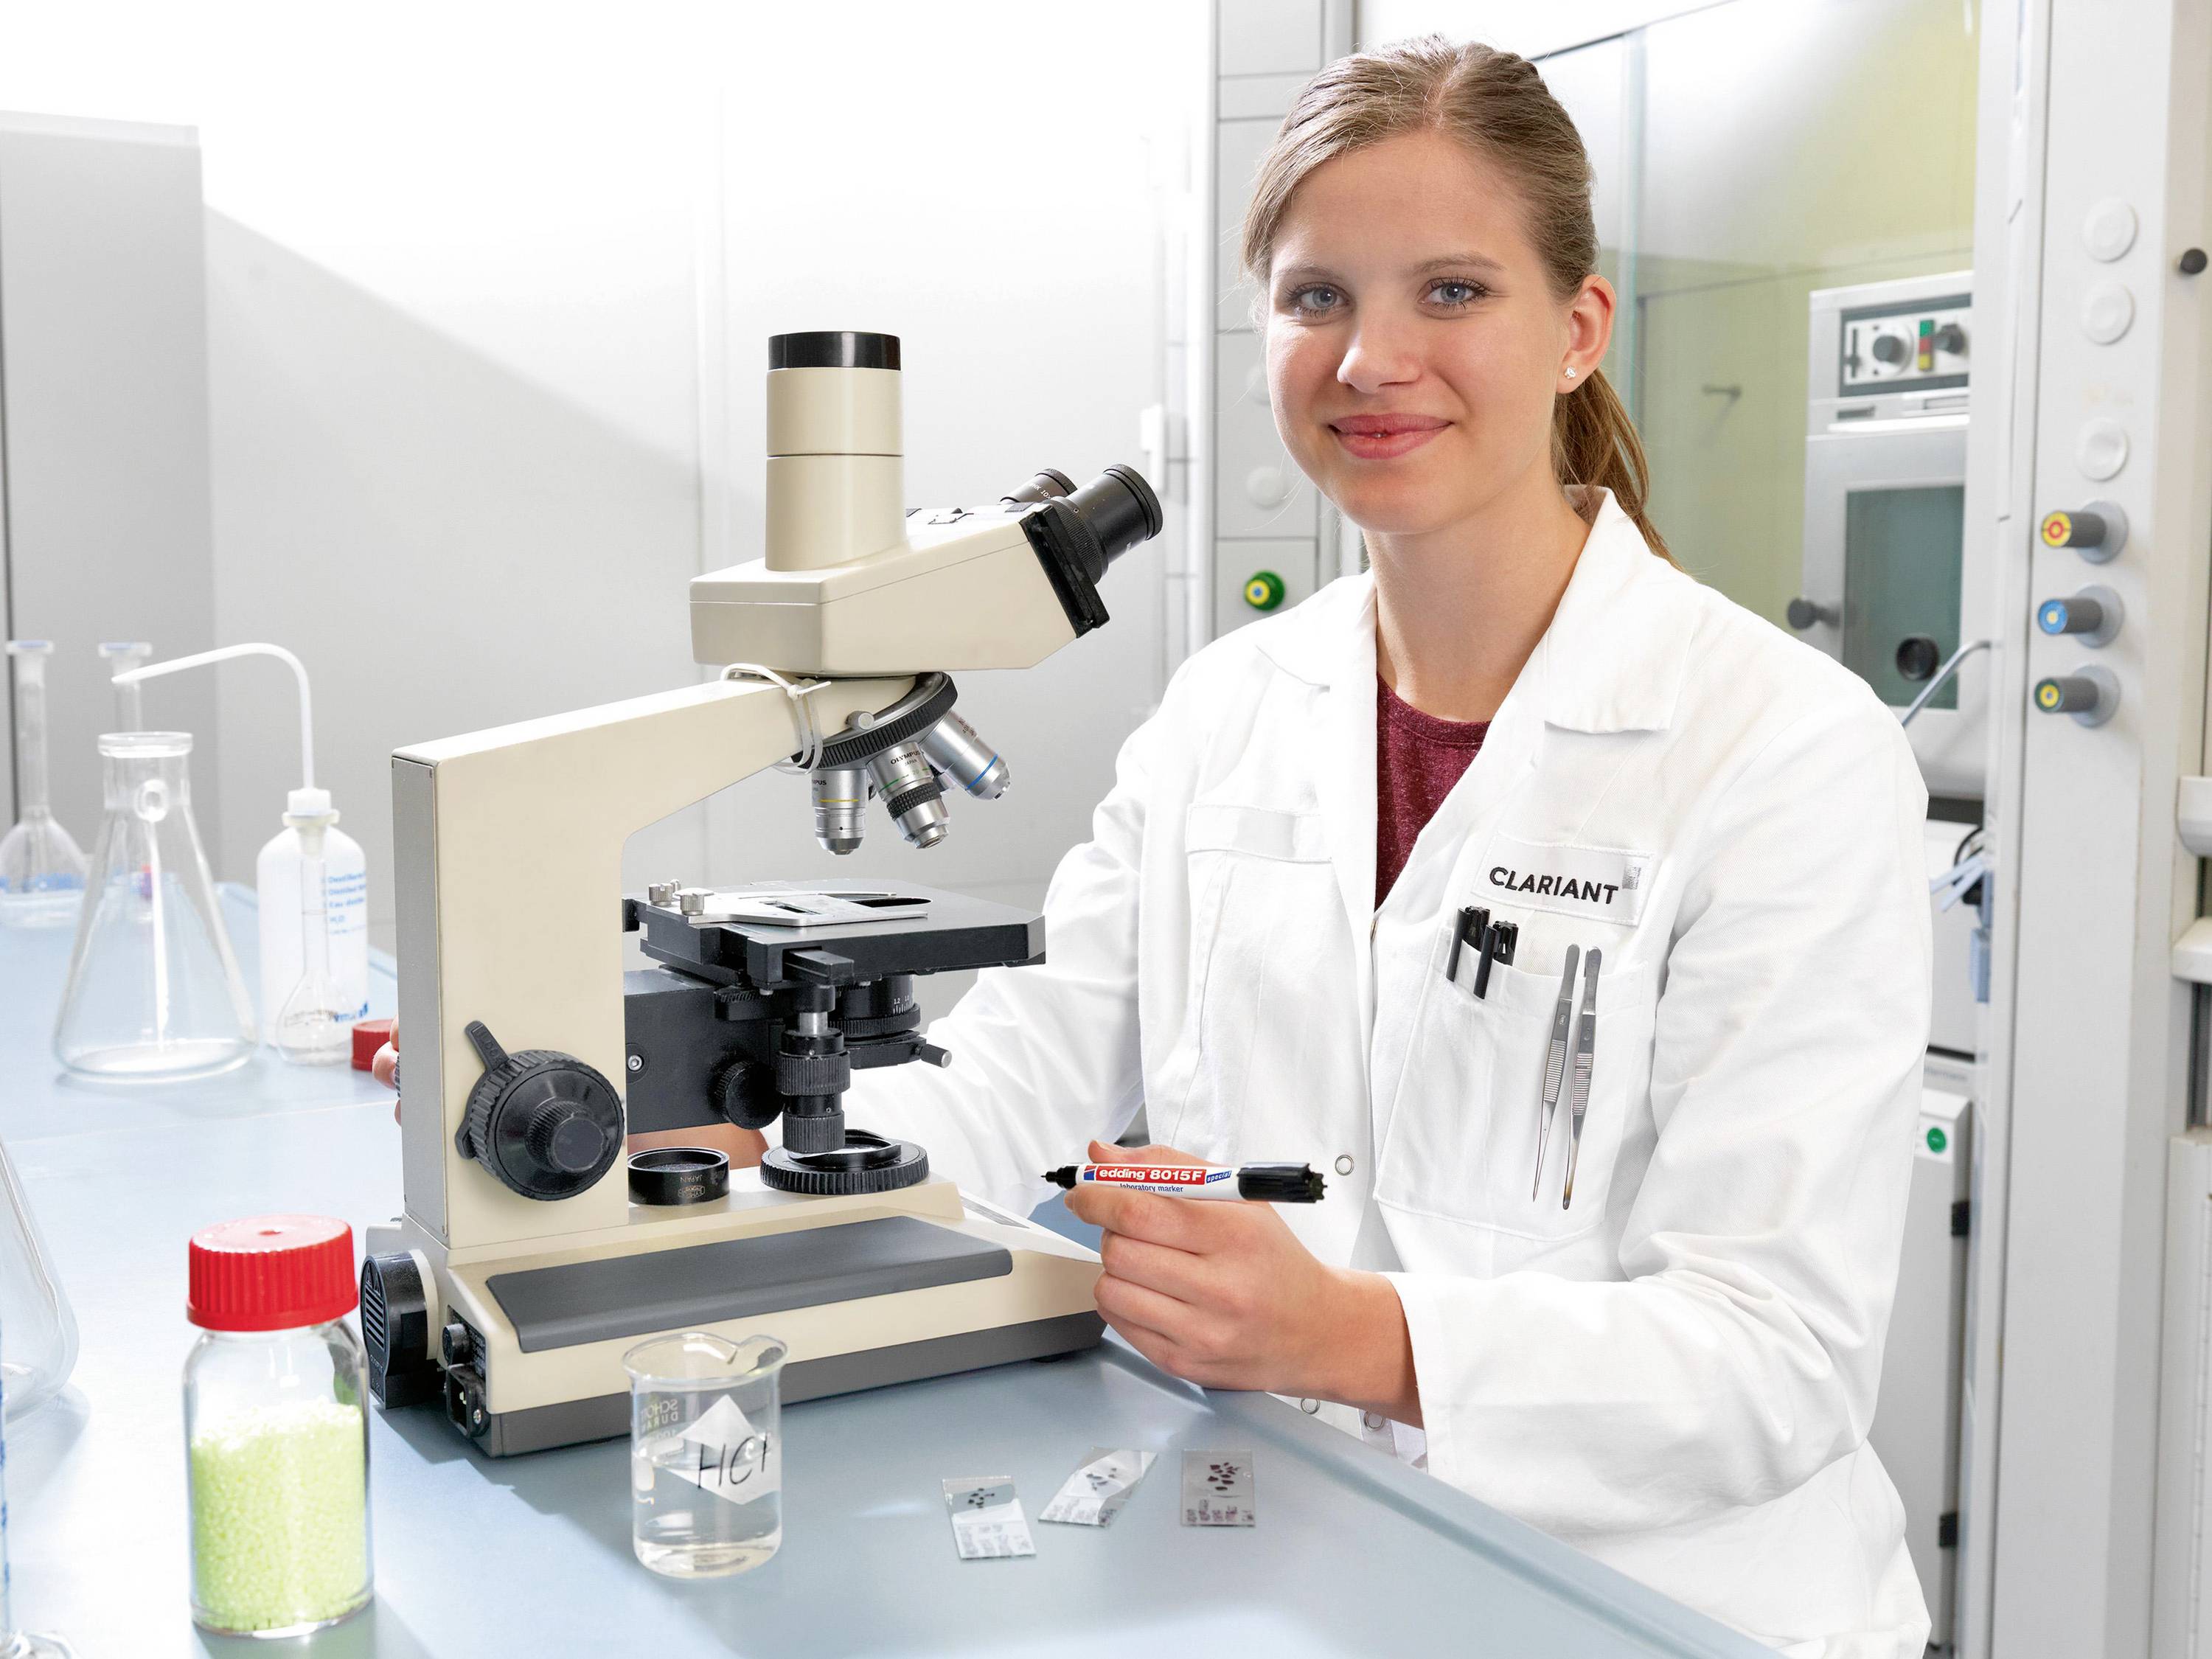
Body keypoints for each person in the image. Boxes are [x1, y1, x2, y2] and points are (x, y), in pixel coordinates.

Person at [382, 36, 1930, 1656]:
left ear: (1577, 331)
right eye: (1317, 297)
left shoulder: (1785, 752)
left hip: (1652, 1605)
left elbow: (1781, 1361)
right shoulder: (1231, 706)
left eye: (1452, 292)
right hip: (1287, 1543)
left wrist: (1362, 1337)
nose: (1370, 360)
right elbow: (1022, 1088)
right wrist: (725, 1161)